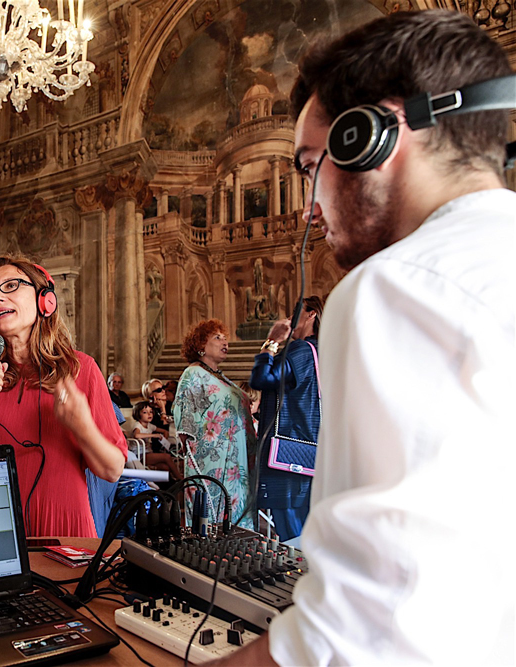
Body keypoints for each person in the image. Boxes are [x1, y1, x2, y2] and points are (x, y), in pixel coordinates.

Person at [216, 11, 513, 665]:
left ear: (369, 138)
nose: (308, 208)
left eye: (310, 167)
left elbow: (350, 645)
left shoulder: (396, 287)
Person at [0, 255, 126, 537]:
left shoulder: (81, 368)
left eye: (11, 286)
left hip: (64, 527)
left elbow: (112, 471)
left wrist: (82, 426)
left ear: (45, 300)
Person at [249, 295, 324, 542]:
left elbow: (262, 379)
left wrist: (272, 341)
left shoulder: (302, 350)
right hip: (312, 451)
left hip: (290, 454)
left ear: (311, 314)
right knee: (309, 531)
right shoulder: (324, 352)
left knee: (293, 535)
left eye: (295, 312)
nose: (290, 319)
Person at [172, 319, 256, 529]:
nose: (224, 342)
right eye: (217, 338)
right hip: (211, 462)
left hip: (235, 462)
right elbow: (184, 417)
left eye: (225, 338)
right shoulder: (193, 373)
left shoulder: (218, 376)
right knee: (211, 517)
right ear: (201, 345)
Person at [131, 401, 184, 480]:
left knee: (165, 467)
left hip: (148, 453)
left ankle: (168, 484)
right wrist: (154, 435)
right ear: (138, 414)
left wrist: (164, 440)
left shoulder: (150, 426)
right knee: (167, 457)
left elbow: (165, 431)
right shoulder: (138, 425)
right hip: (139, 455)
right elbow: (137, 435)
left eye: (151, 412)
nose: (149, 414)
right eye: (145, 412)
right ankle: (180, 478)